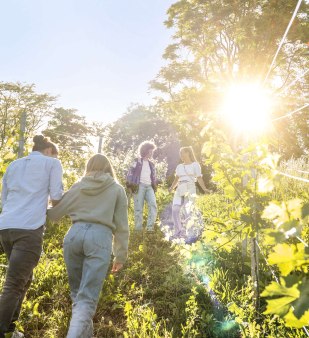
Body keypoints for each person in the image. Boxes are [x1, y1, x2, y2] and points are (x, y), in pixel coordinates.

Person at [47, 153, 129, 338]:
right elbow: (122, 227)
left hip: (74, 235)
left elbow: (54, 215)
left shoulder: (79, 186)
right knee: (86, 298)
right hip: (100, 237)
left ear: (88, 166)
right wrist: (120, 255)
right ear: (108, 167)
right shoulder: (117, 189)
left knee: (78, 294)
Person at [0, 135, 63, 338]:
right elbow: (56, 197)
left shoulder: (14, 165)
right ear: (48, 151)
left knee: (24, 279)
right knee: (14, 284)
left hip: (6, 227)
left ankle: (10, 330)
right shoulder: (52, 163)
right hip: (29, 229)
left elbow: (4, 198)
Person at [169, 146, 210, 237]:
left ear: (188, 153)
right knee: (175, 210)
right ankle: (178, 231)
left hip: (190, 187)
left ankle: (189, 232)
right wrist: (171, 188)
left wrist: (204, 189)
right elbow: (176, 179)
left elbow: (199, 178)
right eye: (180, 153)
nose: (181, 155)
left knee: (188, 210)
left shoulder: (195, 165)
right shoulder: (179, 166)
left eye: (182, 153)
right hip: (179, 188)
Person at [126, 141, 157, 232]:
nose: (152, 153)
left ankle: (149, 228)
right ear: (145, 150)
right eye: (150, 151)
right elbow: (130, 173)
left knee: (153, 205)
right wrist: (129, 186)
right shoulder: (136, 161)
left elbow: (153, 177)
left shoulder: (152, 164)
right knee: (138, 209)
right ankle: (138, 230)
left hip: (149, 187)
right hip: (139, 186)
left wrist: (155, 185)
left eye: (152, 151)